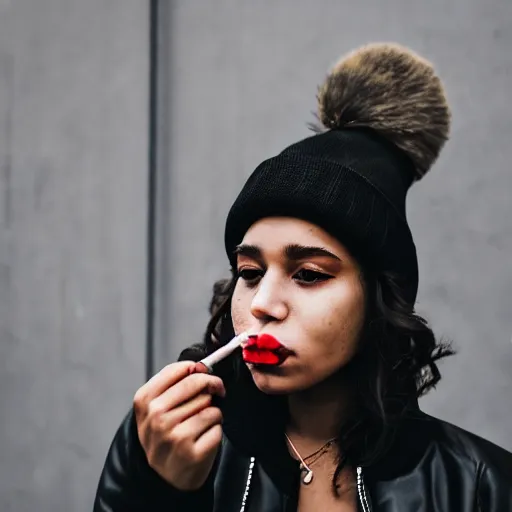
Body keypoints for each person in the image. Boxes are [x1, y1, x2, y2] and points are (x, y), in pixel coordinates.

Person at [93, 43, 512, 511]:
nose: (262, 303)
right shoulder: (161, 441)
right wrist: (166, 491)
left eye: (309, 274)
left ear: (379, 298)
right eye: (249, 273)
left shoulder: (479, 485)